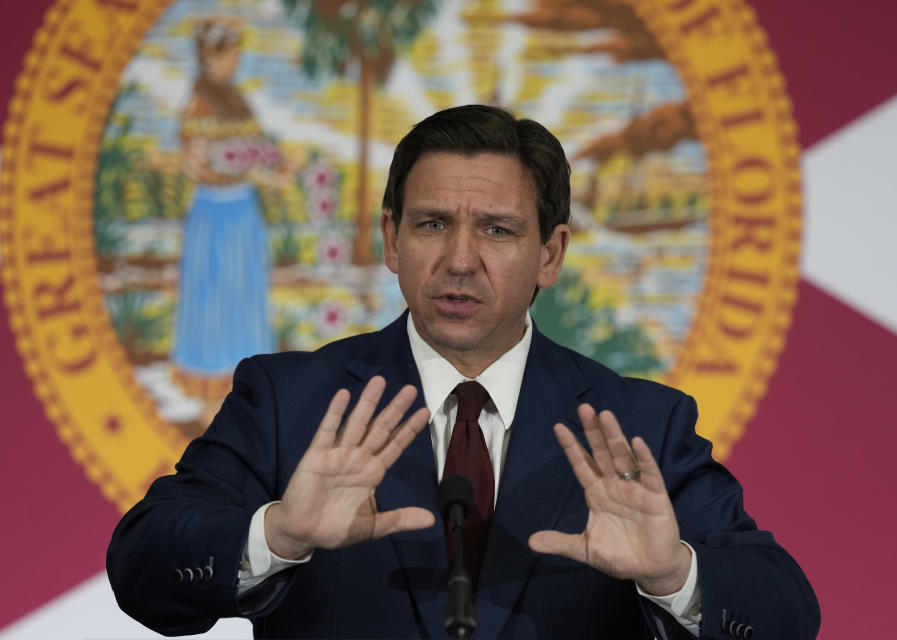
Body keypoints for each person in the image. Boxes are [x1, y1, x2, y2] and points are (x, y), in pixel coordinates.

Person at [107, 105, 819, 639]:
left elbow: (786, 612)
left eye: (499, 230)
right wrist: (276, 536)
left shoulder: (639, 425)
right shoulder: (292, 400)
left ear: (551, 253)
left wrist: (673, 576)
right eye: (432, 224)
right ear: (391, 238)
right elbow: (142, 566)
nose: (458, 260)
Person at [171, 18, 275, 406]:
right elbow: (193, 161)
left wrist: (263, 167)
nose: (234, 62)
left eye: (236, 55)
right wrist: (231, 169)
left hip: (243, 209)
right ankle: (210, 392)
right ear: (209, 57)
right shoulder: (199, 100)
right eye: (229, 55)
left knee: (243, 291)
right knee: (213, 294)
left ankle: (247, 386)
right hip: (214, 211)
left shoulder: (237, 99)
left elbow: (256, 146)